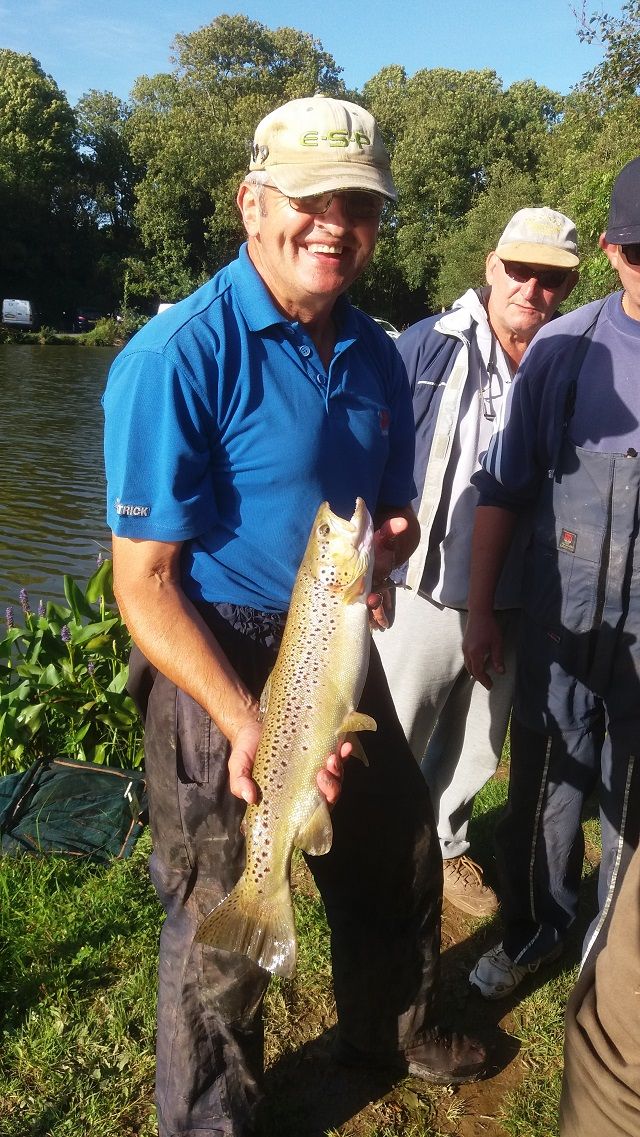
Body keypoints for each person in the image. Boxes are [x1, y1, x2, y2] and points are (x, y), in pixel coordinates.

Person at [102, 95, 486, 1137]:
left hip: (330, 641)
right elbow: (142, 583)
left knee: (397, 841)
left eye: (357, 204)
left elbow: (390, 511)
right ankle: (211, 1119)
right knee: (221, 903)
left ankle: (383, 1032)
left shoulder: (374, 352)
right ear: (250, 203)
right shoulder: (175, 354)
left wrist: (387, 546)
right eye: (311, 199)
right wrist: (243, 721)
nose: (335, 223)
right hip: (213, 647)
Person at [464, 155, 640, 1000]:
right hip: (557, 615)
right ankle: (536, 927)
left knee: (632, 799)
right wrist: (478, 613)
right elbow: (501, 489)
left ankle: (617, 953)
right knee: (543, 794)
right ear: (611, 250)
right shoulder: (565, 350)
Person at [377, 208, 579, 916]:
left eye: (550, 278)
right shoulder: (424, 345)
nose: (531, 287)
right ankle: (367, 856)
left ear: (568, 286)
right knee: (396, 729)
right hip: (422, 590)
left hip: (519, 595)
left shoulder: (569, 361)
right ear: (491, 265)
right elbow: (367, 452)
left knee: (478, 742)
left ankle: (447, 843)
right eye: (519, 269)